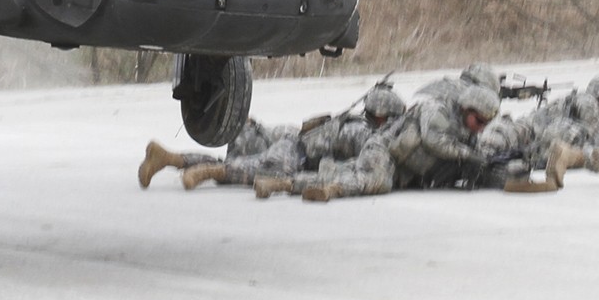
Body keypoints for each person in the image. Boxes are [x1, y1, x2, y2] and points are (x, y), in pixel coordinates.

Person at [264, 82, 500, 201]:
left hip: (399, 168)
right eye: (478, 120)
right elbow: (433, 141)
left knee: (347, 174)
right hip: (382, 150)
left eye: (485, 124)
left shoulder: (467, 133)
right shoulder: (436, 109)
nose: (481, 128)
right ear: (466, 108)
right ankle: (330, 191)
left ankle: (283, 184)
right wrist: (469, 155)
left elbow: (477, 153)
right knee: (376, 181)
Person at [137, 86, 406, 190]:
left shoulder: (350, 120)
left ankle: (171, 158)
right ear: (385, 117)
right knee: (259, 169)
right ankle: (208, 172)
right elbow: (365, 166)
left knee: (249, 162)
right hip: (295, 151)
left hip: (287, 138)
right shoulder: (363, 133)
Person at [479, 74, 599, 190]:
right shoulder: (589, 104)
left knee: (488, 155)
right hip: (528, 138)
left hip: (521, 133)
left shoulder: (575, 99)